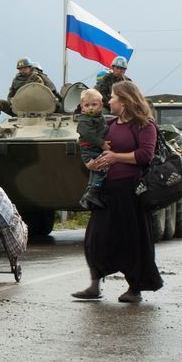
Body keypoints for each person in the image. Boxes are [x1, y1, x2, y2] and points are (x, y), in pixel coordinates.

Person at [72, 80, 163, 303]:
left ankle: (135, 288)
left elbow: (145, 156)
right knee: (96, 238)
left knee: (132, 241)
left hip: (131, 191)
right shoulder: (109, 125)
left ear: (124, 101)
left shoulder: (144, 125)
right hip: (107, 189)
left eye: (112, 97)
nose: (109, 101)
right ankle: (94, 285)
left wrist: (116, 157)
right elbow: (90, 144)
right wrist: (90, 164)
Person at [0, 57, 53, 129]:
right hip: (18, 109)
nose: (22, 71)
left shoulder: (36, 78)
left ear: (29, 68)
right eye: (20, 69)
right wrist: (11, 100)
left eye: (24, 68)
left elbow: (42, 94)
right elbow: (10, 95)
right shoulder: (16, 80)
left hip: (36, 109)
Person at [77, 88, 111, 210]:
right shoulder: (84, 119)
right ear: (82, 107)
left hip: (93, 149)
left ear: (101, 106)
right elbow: (88, 135)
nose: (90, 108)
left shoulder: (98, 117)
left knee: (95, 172)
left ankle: (88, 196)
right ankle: (93, 192)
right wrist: (102, 143)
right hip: (90, 150)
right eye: (87, 105)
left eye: (94, 104)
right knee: (101, 169)